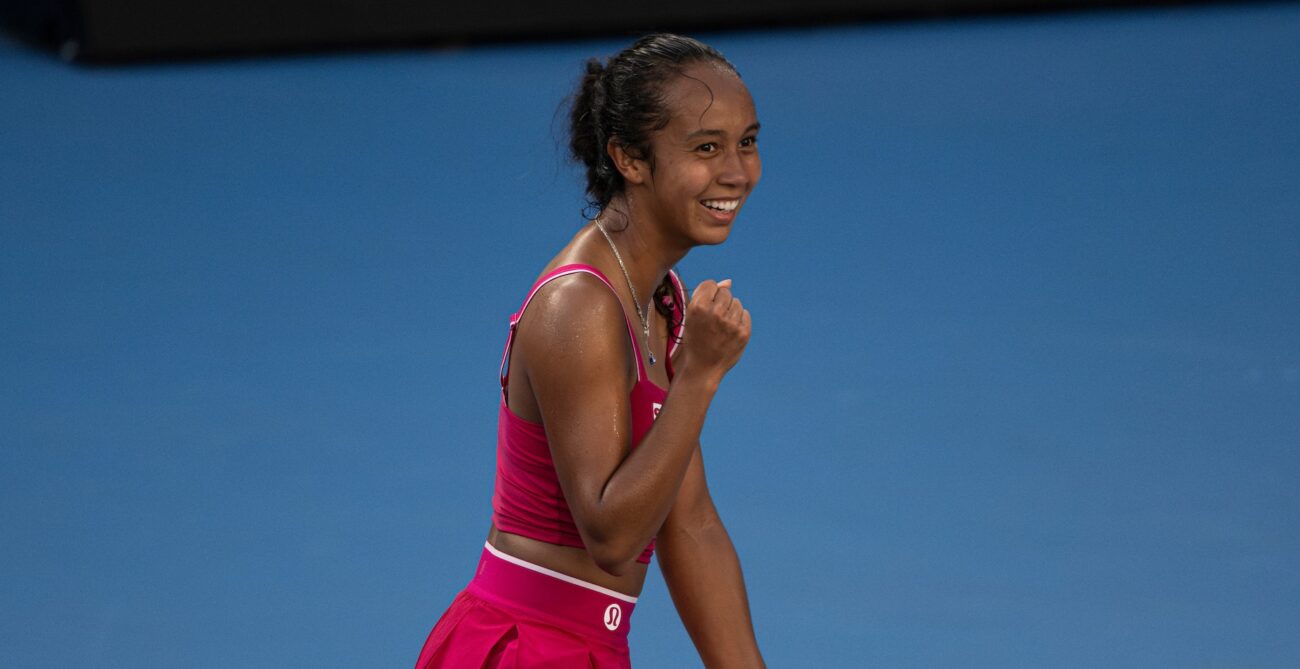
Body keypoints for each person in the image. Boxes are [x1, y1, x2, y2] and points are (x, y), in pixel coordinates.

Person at [414, 33, 765, 668]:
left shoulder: (661, 299)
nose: (737, 171)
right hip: (525, 650)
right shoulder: (578, 305)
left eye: (747, 142)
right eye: (706, 148)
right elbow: (612, 534)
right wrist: (699, 377)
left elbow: (689, 522)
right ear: (630, 159)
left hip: (587, 649)